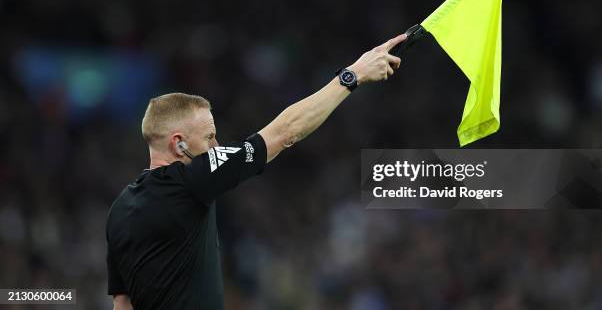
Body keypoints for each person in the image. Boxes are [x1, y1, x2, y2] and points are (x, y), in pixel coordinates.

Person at [105, 33, 406, 309]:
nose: (217, 145)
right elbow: (284, 132)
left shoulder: (119, 211)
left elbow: (122, 305)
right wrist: (353, 76)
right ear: (178, 143)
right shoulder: (190, 180)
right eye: (209, 137)